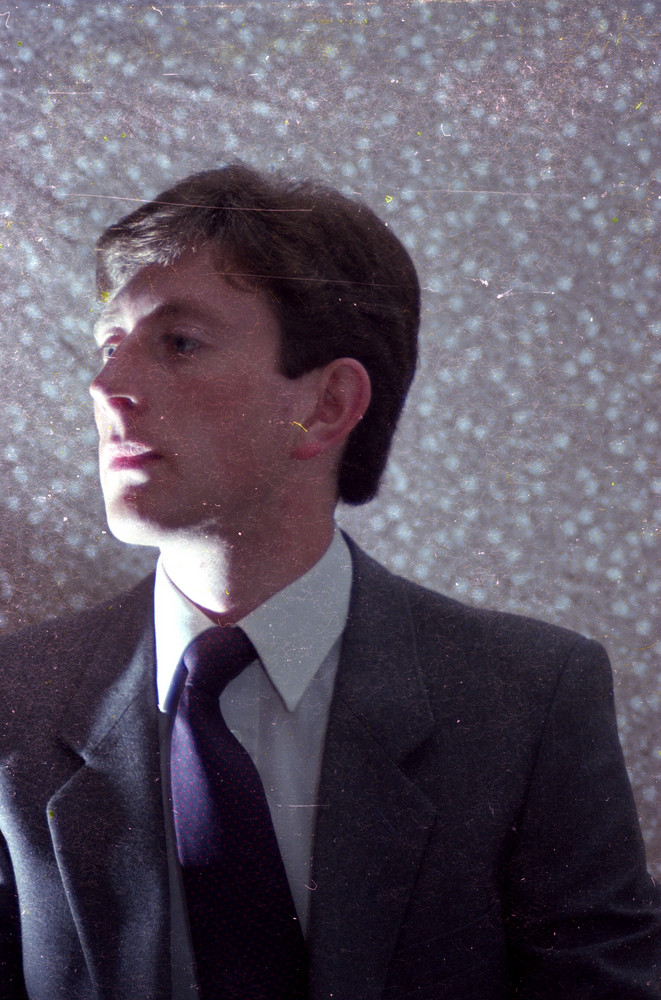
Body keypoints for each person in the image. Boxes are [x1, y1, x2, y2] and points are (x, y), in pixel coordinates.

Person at [0, 163, 659, 1000]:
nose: (107, 388)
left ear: (327, 405)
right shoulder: (14, 700)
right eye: (110, 345)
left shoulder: (527, 699)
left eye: (179, 343)